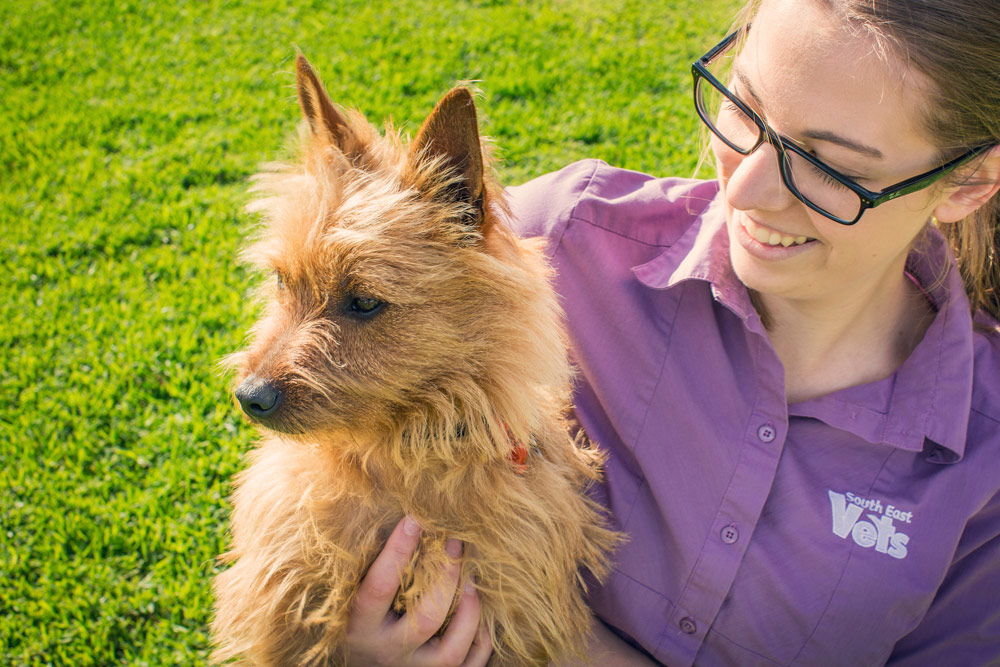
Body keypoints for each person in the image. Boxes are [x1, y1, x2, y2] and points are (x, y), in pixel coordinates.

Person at [341, 0, 1000, 664]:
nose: (745, 189)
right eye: (744, 107)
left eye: (829, 166)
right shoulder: (553, 247)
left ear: (968, 182)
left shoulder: (987, 460)